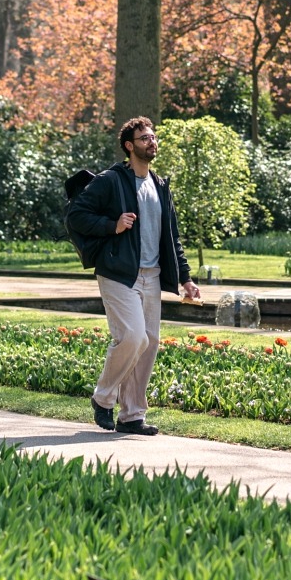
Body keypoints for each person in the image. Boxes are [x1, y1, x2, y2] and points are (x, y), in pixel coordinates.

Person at [66, 116, 200, 436]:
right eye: (144, 139)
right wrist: (112, 224)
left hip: (152, 276)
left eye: (153, 138)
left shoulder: (160, 185)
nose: (151, 142)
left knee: (149, 343)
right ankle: (103, 398)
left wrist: (186, 278)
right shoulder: (111, 180)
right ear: (129, 146)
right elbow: (76, 215)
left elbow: (172, 237)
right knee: (132, 337)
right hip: (119, 272)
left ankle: (132, 416)